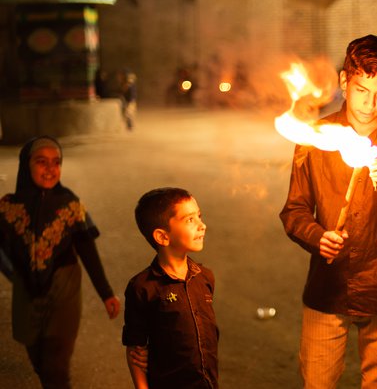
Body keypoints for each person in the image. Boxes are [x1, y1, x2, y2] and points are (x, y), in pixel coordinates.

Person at [280, 35, 377, 388]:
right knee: (318, 381)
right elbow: (294, 211)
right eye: (362, 90)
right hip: (328, 286)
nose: (370, 104)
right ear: (343, 81)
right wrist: (318, 237)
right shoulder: (315, 136)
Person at [0, 136, 121, 388]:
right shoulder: (8, 207)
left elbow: (88, 250)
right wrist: (14, 273)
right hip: (26, 295)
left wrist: (106, 293)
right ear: (26, 165)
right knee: (38, 359)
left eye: (56, 162)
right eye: (41, 162)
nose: (50, 169)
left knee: (56, 366)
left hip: (64, 289)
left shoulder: (70, 205)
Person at [123, 187, 218, 389]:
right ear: (162, 236)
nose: (202, 226)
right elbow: (135, 349)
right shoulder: (143, 288)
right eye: (190, 220)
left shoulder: (204, 277)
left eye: (199, 216)